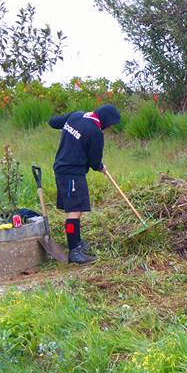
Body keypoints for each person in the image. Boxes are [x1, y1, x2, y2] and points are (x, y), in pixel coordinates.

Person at [49, 104, 121, 264]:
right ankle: (74, 251)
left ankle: (78, 243)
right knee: (75, 211)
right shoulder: (95, 132)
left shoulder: (76, 115)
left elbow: (53, 122)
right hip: (71, 173)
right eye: (109, 125)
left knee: (76, 209)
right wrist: (101, 167)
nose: (108, 128)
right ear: (106, 121)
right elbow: (94, 161)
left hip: (62, 168)